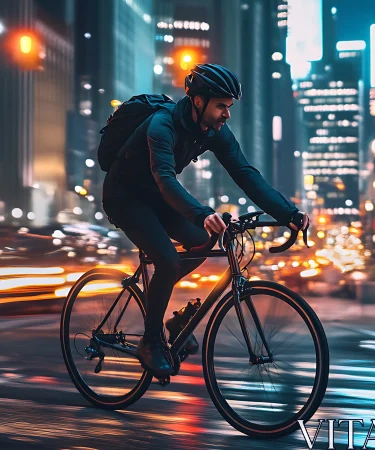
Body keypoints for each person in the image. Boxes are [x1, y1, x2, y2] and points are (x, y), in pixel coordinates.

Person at [101, 64, 310, 377]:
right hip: (125, 198)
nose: (227, 114)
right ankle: (151, 340)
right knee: (169, 261)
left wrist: (288, 213)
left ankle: (171, 315)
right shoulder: (162, 125)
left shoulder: (214, 131)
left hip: (157, 199)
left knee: (204, 238)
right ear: (198, 102)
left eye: (229, 107)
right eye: (221, 106)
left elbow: (246, 174)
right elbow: (165, 178)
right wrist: (202, 213)